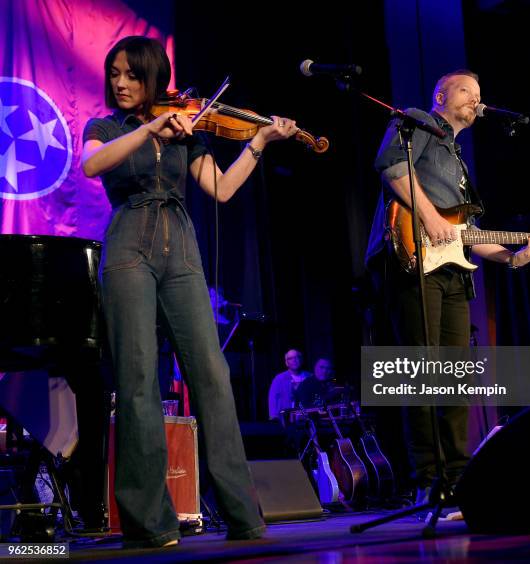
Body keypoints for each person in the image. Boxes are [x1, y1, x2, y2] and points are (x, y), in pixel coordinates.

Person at [82, 36, 298, 547]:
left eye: (132, 75)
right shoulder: (106, 127)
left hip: (181, 248)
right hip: (129, 243)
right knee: (137, 381)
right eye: (115, 73)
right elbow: (92, 164)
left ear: (153, 77)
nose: (121, 82)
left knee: (212, 377)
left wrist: (259, 142)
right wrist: (152, 127)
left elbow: (221, 188)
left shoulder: (186, 133)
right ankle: (147, 523)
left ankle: (243, 515)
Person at [365, 69, 530, 502]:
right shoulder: (417, 121)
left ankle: (459, 482)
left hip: (452, 271)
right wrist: (428, 217)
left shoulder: (457, 159)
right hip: (412, 258)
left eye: (480, 94)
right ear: (441, 95)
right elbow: (390, 166)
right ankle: (429, 481)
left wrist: (512, 257)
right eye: (467, 92)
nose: (476, 100)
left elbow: (465, 230)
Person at [268, 349, 312, 419]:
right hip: (286, 419)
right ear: (286, 362)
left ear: (301, 360)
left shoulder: (309, 377)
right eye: (290, 358)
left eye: (297, 357)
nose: (294, 360)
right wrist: (274, 417)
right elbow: (273, 399)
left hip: (307, 417)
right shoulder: (279, 379)